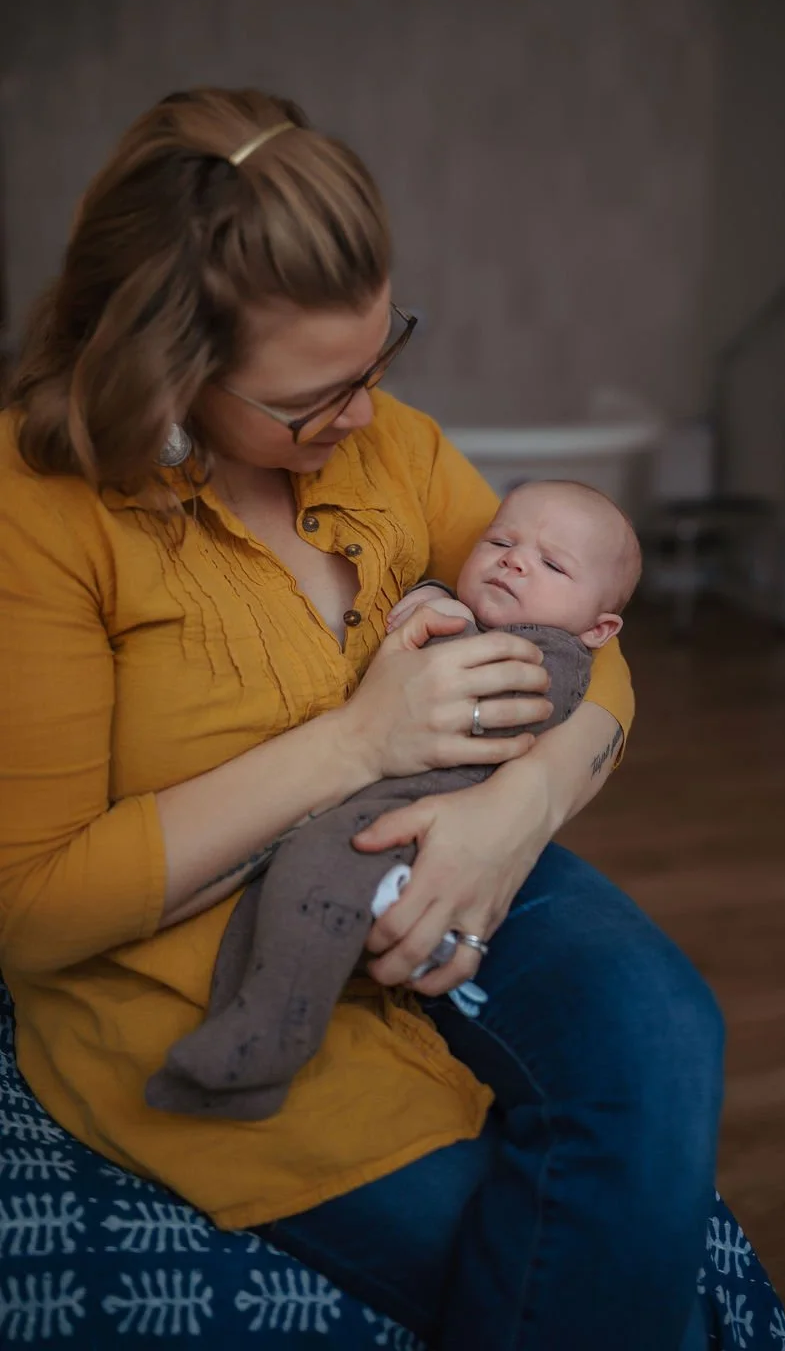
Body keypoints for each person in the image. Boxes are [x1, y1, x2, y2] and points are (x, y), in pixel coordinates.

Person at [0, 87, 785, 1350]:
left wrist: (515, 812)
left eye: (380, 359)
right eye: (314, 398)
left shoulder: (395, 451)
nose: (364, 416)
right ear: (165, 367)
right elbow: (35, 910)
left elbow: (598, 646)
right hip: (192, 966)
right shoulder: (41, 518)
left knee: (659, 1025)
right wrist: (360, 742)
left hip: (442, 848)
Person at [146, 479, 642, 1119]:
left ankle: (276, 1039)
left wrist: (436, 620)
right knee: (275, 901)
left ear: (600, 629)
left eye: (551, 564)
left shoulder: (554, 659)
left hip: (416, 828)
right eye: (500, 541)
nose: (515, 560)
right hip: (371, 807)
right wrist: (437, 595)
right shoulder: (482, 620)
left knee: (313, 877)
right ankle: (242, 1025)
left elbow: (472, 702)